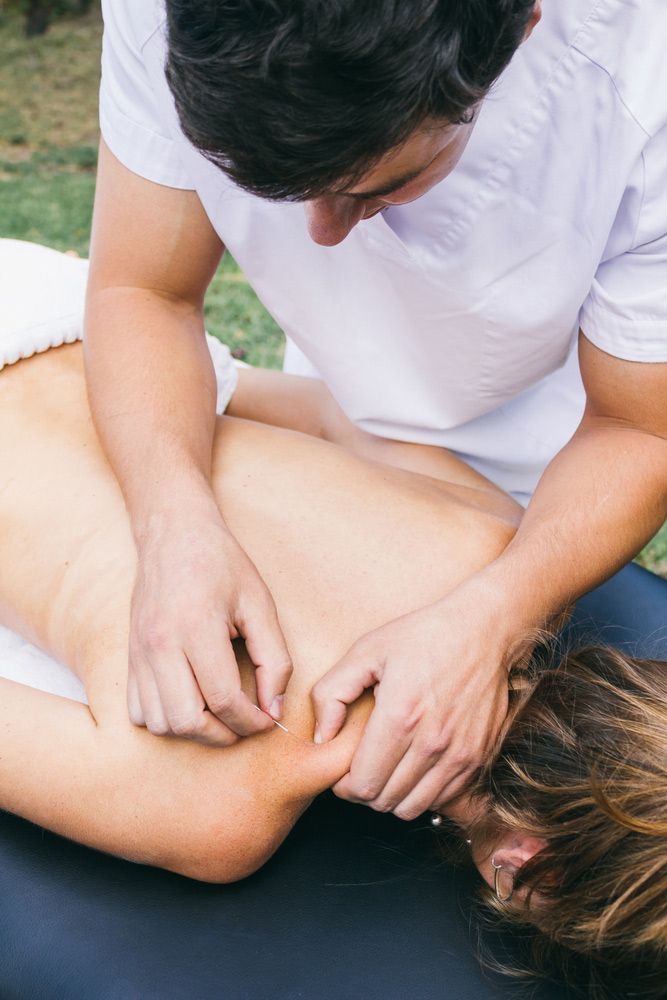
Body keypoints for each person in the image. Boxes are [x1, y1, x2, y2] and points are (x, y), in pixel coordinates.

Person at [0, 242, 664, 999]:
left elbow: (319, 412)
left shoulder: (496, 534)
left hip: (56, 313)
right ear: (521, 868)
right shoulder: (219, 812)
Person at [87, 0, 667, 820]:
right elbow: (142, 291)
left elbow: (637, 424)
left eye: (383, 184)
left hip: (572, 432)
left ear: (523, 25)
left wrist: (495, 617)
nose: (320, 236)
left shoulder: (646, 80)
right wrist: (172, 525)